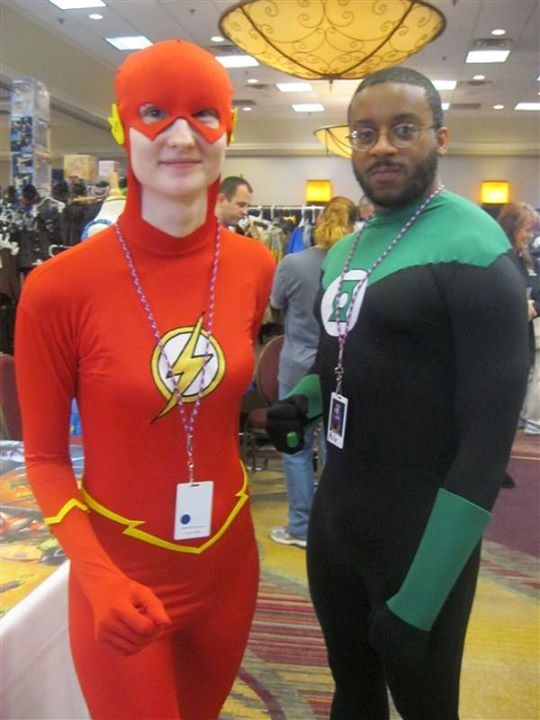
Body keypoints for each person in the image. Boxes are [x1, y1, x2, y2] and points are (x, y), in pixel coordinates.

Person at [15, 39, 275, 720]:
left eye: (204, 114)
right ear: (122, 126)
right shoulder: (58, 287)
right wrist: (96, 576)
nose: (182, 137)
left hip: (229, 568)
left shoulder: (254, 267)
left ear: (228, 129)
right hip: (121, 575)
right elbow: (45, 459)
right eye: (156, 113)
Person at [266, 66, 529, 719]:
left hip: (421, 537)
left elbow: (486, 449)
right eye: (365, 133)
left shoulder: (476, 250)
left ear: (440, 137)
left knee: (425, 707)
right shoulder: (347, 250)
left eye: (403, 129)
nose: (382, 146)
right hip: (336, 523)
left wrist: (420, 600)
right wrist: (302, 402)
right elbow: (339, 363)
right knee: (352, 695)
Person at [269, 196, 357, 548]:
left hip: (296, 365)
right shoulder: (358, 265)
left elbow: (276, 304)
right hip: (339, 368)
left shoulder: (293, 263)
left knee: (296, 448)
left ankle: (301, 527)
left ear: (319, 221)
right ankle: (332, 526)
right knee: (334, 448)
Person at [498, 202, 540, 436]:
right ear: (512, 228)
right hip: (500, 340)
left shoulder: (529, 260)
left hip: (525, 336)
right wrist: (516, 304)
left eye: (534, 230)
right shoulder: (496, 258)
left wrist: (533, 306)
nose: (531, 235)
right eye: (527, 229)